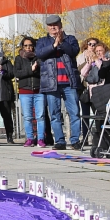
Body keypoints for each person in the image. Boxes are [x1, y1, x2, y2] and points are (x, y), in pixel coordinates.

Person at [36, 14, 82, 150]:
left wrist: (61, 42)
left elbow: (74, 51)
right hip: (51, 83)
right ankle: (60, 141)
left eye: (55, 25)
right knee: (55, 114)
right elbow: (40, 54)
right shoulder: (43, 41)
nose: (53, 28)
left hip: (69, 82)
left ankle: (75, 140)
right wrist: (54, 45)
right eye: (50, 26)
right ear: (47, 27)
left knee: (74, 112)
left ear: (60, 25)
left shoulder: (70, 39)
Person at [15, 36, 45, 147]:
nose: (28, 48)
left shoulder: (39, 58)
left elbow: (43, 73)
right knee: (27, 117)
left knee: (40, 116)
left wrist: (34, 70)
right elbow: (17, 73)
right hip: (25, 91)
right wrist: (31, 70)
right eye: (26, 45)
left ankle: (41, 138)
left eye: (30, 45)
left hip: (39, 91)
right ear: (23, 47)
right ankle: (30, 138)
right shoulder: (19, 58)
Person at [76, 37, 100, 122]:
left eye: (94, 45)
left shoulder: (99, 56)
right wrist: (88, 62)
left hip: (96, 88)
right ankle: (86, 134)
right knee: (85, 115)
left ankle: (98, 133)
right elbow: (78, 69)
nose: (92, 46)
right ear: (86, 45)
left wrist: (95, 58)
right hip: (84, 88)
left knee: (97, 113)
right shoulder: (80, 57)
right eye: (90, 44)